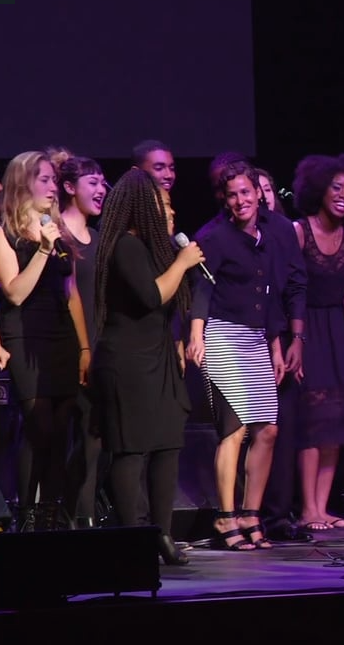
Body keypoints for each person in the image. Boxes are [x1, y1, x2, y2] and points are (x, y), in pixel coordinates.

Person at [92, 168, 202, 565]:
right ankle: (135, 537)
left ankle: (163, 534)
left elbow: (169, 305)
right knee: (132, 450)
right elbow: (151, 295)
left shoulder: (154, 249)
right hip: (128, 362)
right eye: (162, 204)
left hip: (158, 358)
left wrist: (178, 339)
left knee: (167, 445)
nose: (169, 212)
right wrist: (183, 262)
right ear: (142, 206)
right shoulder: (125, 246)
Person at [187, 162, 289, 550]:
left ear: (259, 193)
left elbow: (271, 296)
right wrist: (196, 335)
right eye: (232, 195)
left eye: (246, 192)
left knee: (268, 430)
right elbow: (201, 288)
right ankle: (225, 517)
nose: (240, 200)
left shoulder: (267, 237)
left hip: (256, 339)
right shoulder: (215, 237)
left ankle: (251, 513)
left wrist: (275, 345)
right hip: (223, 336)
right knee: (234, 430)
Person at [0, 151, 91, 531]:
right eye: (45, 180)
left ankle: (50, 515)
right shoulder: (5, 232)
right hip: (25, 336)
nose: (53, 187)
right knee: (38, 425)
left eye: (54, 180)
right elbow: (15, 292)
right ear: (23, 182)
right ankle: (26, 514)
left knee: (60, 428)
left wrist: (84, 347)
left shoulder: (59, 231)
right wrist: (41, 249)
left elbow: (71, 294)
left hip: (61, 336)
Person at [289, 154, 344, 532]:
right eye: (336, 188)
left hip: (336, 333)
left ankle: (323, 508)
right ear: (319, 190)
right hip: (305, 329)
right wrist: (292, 340)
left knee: (336, 422)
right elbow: (289, 289)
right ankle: (308, 509)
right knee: (313, 421)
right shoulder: (299, 231)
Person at [51, 149, 108, 528]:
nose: (101, 189)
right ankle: (60, 514)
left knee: (95, 437)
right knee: (62, 436)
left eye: (103, 183)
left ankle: (82, 516)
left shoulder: (100, 239)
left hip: (101, 349)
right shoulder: (60, 235)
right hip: (68, 347)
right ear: (70, 187)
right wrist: (82, 348)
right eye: (93, 182)